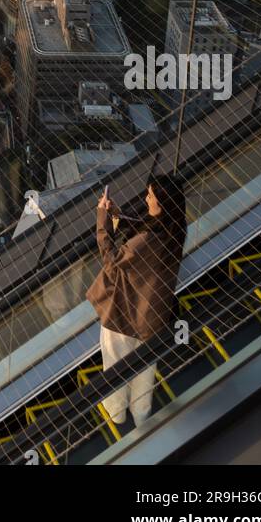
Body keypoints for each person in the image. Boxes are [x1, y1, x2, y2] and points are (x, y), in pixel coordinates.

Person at [86, 174, 187, 428]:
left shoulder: (149, 239)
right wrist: (117, 214)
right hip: (153, 314)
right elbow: (144, 231)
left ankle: (117, 414)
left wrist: (102, 219)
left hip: (123, 310)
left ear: (162, 203)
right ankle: (142, 416)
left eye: (151, 196)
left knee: (116, 367)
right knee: (144, 371)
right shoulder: (176, 227)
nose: (146, 198)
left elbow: (112, 257)